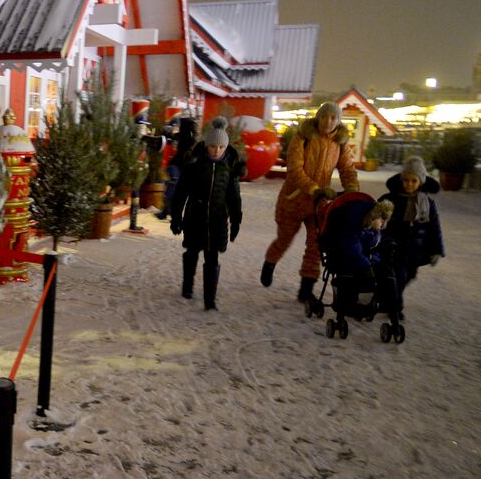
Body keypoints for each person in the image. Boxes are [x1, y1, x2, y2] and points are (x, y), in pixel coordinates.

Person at [260, 102, 359, 301]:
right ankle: (270, 262)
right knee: (284, 239)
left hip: (319, 204)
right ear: (318, 118)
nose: (328, 121)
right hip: (294, 199)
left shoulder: (339, 142)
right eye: (324, 117)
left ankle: (306, 289)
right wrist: (315, 189)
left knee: (316, 246)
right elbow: (295, 170)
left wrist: (351, 188)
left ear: (338, 121)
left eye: (333, 118)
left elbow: (347, 168)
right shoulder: (303, 138)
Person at [169, 118, 242, 310]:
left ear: (225, 147)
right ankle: (187, 286)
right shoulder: (194, 164)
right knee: (192, 251)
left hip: (218, 219)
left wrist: (236, 222)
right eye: (212, 146)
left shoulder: (229, 169)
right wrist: (176, 217)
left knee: (212, 257)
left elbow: (234, 198)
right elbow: (181, 192)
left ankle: (210, 299)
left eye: (220, 147)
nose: (216, 150)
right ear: (206, 145)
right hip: (195, 216)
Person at [381, 155, 445, 309]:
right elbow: (377, 215)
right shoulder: (391, 199)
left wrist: (436, 250)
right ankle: (394, 306)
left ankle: (393, 298)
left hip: (416, 248)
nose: (409, 184)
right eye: (406, 180)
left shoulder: (427, 203)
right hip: (395, 246)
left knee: (409, 275)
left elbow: (434, 228)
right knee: (398, 275)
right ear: (401, 180)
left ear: (420, 181)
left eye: (413, 181)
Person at [328, 198, 397, 320]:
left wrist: (378, 238)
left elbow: (370, 247)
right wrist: (366, 265)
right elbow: (352, 247)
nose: (382, 223)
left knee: (387, 274)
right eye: (381, 219)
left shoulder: (372, 229)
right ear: (373, 216)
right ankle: (354, 306)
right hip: (348, 260)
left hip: (365, 260)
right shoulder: (353, 226)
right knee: (356, 277)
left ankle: (388, 307)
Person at [155, 116, 197, 220]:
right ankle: (167, 212)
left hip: (181, 166)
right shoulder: (189, 136)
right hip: (180, 166)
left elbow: (171, 135)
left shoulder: (187, 136)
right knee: (172, 186)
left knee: (174, 187)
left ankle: (169, 212)